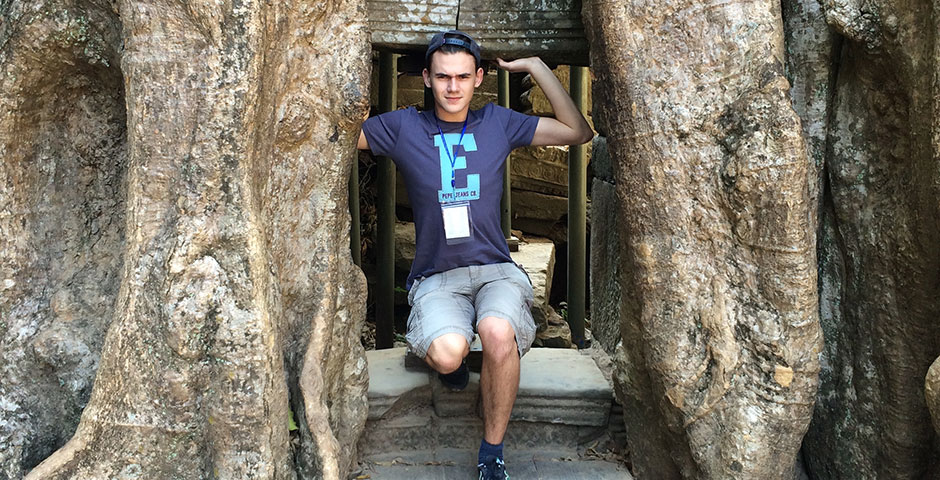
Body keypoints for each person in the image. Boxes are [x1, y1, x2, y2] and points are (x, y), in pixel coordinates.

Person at [357, 30, 593, 480]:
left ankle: (492, 453)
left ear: (479, 78)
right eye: (443, 76)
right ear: (427, 78)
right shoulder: (404, 127)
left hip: (495, 270)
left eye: (463, 77)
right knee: (449, 354)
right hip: (437, 276)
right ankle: (452, 358)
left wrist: (537, 67)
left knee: (497, 332)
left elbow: (577, 131)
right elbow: (335, 135)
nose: (453, 87)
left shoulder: (496, 123)